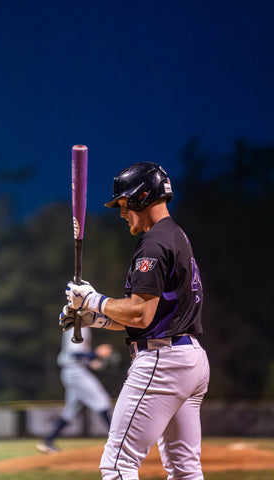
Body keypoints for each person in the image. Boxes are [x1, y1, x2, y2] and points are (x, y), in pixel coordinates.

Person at [60, 161, 210, 479]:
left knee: (117, 466)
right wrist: (93, 318)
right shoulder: (175, 235)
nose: (121, 212)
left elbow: (141, 314)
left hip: (163, 362)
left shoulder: (155, 242)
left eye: (124, 203)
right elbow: (151, 317)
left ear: (142, 197)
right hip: (189, 358)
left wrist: (93, 299)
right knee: (186, 470)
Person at [36, 327, 113, 454]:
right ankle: (117, 441)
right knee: (102, 401)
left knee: (71, 411)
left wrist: (91, 360)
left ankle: (48, 441)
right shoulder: (79, 325)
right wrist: (96, 353)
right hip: (75, 371)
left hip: (73, 369)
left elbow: (77, 353)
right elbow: (74, 353)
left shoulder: (80, 323)